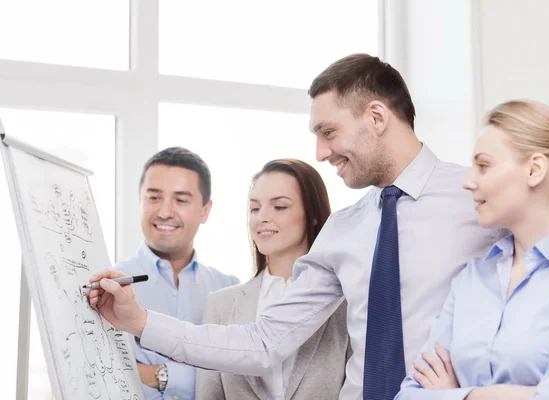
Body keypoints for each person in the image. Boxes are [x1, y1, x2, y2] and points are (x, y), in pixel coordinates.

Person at [88, 53, 504, 400]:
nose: (321, 153)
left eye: (328, 132)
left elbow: (544, 302)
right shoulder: (343, 230)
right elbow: (262, 342)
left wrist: (472, 390)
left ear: (376, 116)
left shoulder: (479, 197)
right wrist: (140, 321)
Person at [397, 100, 549, 399]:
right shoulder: (472, 279)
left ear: (534, 170)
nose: (468, 182)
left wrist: (455, 394)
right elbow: (408, 395)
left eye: (483, 165)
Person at [195, 159, 349, 399]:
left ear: (313, 215)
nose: (262, 217)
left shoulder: (345, 303)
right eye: (255, 208)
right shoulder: (221, 306)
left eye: (279, 207)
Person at [116, 147, 239, 400]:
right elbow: (104, 375)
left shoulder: (230, 290)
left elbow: (238, 381)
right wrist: (203, 376)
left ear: (205, 210)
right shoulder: (110, 286)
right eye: (153, 198)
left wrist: (155, 374)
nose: (164, 212)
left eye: (180, 200)